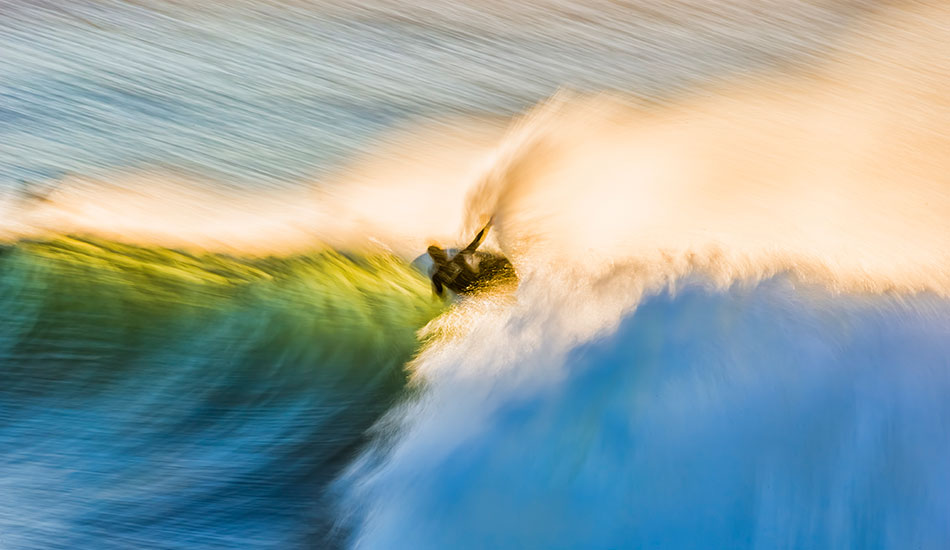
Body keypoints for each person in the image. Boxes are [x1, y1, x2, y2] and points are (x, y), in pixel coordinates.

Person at [427, 218, 511, 296]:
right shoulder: (458, 259)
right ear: (442, 254)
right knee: (490, 261)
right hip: (481, 283)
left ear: (433, 258)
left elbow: (440, 293)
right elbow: (476, 242)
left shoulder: (437, 277)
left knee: (476, 264)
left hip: (473, 292)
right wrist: (488, 225)